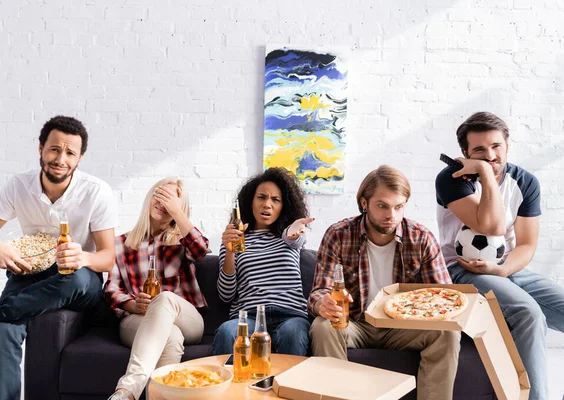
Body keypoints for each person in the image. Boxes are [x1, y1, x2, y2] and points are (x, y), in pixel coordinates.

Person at [0, 116, 117, 400]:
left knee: (75, 278)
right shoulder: (19, 186)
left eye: (70, 153)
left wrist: (82, 256)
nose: (61, 158)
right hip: (28, 274)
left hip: (78, 280)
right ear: (40, 149)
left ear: (80, 158)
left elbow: (108, 258)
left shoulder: (96, 192)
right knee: (2, 336)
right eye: (54, 149)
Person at [435, 111, 564, 400]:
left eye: (496, 147)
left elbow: (527, 245)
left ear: (507, 146)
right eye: (479, 150)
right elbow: (490, 225)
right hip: (460, 270)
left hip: (507, 268)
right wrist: (485, 174)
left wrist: (502, 270)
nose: (490, 155)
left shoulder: (525, 182)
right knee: (528, 313)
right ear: (465, 154)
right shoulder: (450, 179)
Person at [309, 165, 461, 400]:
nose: (391, 215)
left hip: (403, 326)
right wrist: (323, 304)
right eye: (382, 206)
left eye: (398, 206)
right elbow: (320, 291)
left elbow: (445, 297)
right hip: (355, 324)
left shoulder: (422, 238)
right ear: (364, 203)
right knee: (322, 326)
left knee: (447, 332)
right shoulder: (338, 235)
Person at [104, 177, 209, 400]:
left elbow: (201, 250)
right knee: (170, 337)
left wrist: (178, 213)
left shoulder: (183, 240)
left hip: (187, 318)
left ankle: (127, 391)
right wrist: (133, 304)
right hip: (138, 318)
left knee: (164, 299)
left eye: (171, 200)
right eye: (160, 195)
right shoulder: (120, 243)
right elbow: (111, 288)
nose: (163, 203)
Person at [212, 167, 314, 356]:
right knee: (227, 332)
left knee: (292, 334)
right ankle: (230, 385)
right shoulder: (235, 240)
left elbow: (295, 238)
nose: (267, 204)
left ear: (284, 206)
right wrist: (230, 250)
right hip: (248, 315)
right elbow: (226, 295)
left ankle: (287, 386)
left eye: (276, 200)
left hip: (290, 314)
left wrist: (294, 232)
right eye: (261, 197)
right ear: (250, 201)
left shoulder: (287, 236)